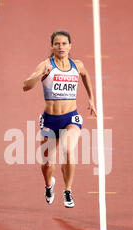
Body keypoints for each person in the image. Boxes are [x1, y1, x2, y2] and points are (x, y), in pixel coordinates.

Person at [23, 30, 96, 208]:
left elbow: (85, 75)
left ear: (70, 46)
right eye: (57, 43)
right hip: (50, 120)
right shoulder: (45, 65)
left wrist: (91, 98)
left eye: (64, 43)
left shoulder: (77, 65)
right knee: (48, 163)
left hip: (71, 118)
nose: (61, 47)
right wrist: (41, 75)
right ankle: (49, 185)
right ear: (52, 46)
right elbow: (26, 86)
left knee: (68, 150)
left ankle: (68, 191)